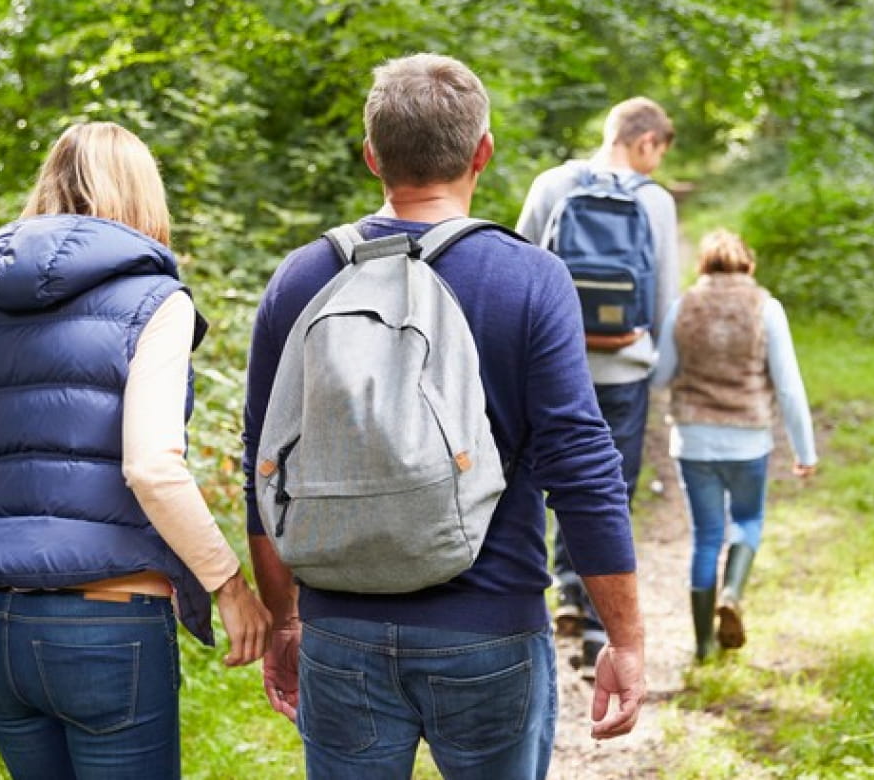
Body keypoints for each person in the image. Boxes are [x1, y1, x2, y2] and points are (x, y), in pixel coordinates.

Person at [241, 54, 646, 778]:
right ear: (482, 151)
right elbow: (581, 467)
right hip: (490, 628)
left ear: (373, 157)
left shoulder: (303, 277)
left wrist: (287, 620)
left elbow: (265, 468)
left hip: (341, 627)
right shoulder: (529, 278)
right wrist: (625, 637)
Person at [0, 121, 270, 779]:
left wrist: (2, 539)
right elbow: (150, 466)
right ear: (145, 197)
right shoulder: (157, 303)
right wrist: (228, 585)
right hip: (107, 623)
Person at [514, 97, 679, 674]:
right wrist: (654, 365)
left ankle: (559, 591)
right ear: (646, 142)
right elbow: (664, 296)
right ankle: (592, 630)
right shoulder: (655, 202)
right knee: (611, 492)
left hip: (555, 369)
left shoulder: (552, 183)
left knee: (543, 483)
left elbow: (520, 271)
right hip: (624, 367)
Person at [650, 228, 818, 663]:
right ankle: (732, 591)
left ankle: (703, 647)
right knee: (747, 520)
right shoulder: (766, 307)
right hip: (748, 441)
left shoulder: (683, 306)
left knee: (706, 538)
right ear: (748, 263)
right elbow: (789, 387)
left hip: (693, 441)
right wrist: (805, 451)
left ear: (703, 265)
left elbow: (661, 374)